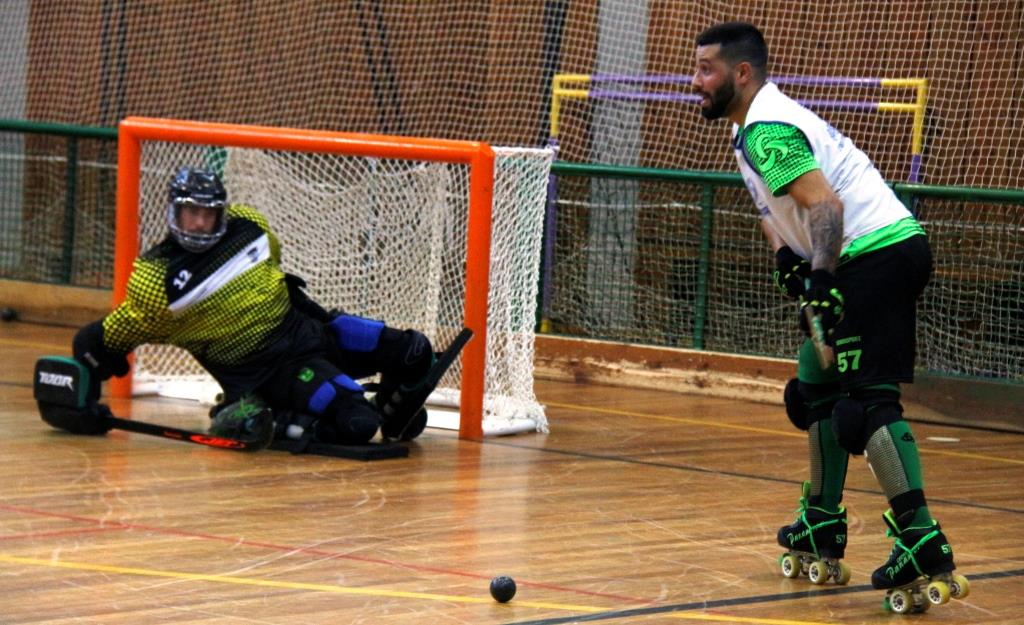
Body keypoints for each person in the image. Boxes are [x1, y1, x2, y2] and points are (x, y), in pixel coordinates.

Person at [692, 21, 963, 597]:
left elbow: (825, 204)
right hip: (874, 251)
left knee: (865, 405)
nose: (697, 81)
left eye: (706, 69)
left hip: (875, 252)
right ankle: (822, 518)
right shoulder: (751, 129)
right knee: (815, 386)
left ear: (741, 74)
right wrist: (787, 260)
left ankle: (919, 538)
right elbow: (776, 212)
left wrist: (820, 276)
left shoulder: (768, 130)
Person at [70, 166, 435, 447]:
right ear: (172, 213)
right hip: (269, 371)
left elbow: (276, 279)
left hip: (311, 332)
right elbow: (105, 339)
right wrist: (79, 389)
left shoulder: (250, 226)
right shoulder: (156, 279)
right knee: (358, 422)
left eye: (207, 213)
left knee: (415, 351)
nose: (198, 223)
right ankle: (253, 413)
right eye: (189, 213)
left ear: (222, 213)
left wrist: (321, 321)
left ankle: (395, 408)